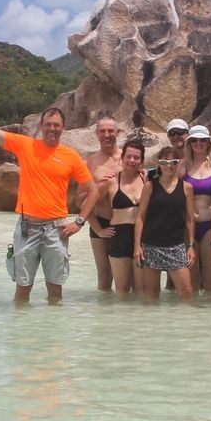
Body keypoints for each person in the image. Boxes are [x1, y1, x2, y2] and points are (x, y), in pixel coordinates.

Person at [0, 83, 93, 303]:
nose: (52, 128)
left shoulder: (71, 156)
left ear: (63, 128)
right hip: (27, 227)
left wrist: (79, 222)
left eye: (57, 125)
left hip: (56, 229)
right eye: (48, 124)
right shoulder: (25, 146)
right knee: (22, 291)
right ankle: (22, 336)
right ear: (41, 127)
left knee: (56, 293)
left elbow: (93, 192)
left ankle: (53, 336)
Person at [134, 145, 197, 300]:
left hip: (176, 245)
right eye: (165, 162)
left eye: (173, 162)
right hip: (151, 245)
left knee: (186, 292)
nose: (169, 166)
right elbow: (140, 216)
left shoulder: (187, 187)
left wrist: (190, 246)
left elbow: (189, 219)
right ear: (159, 163)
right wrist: (137, 246)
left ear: (178, 163)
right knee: (152, 294)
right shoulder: (149, 186)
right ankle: (154, 324)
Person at [98, 137, 150, 296]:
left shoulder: (147, 179)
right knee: (122, 291)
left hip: (142, 238)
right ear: (122, 158)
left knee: (142, 291)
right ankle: (120, 321)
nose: (132, 160)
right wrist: (98, 229)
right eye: (129, 156)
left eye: (136, 157)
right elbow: (87, 203)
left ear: (141, 160)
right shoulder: (111, 181)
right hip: (119, 237)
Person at [182, 124, 211, 296]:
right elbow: (163, 182)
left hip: (210, 226)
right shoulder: (182, 165)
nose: (198, 143)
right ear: (189, 143)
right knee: (191, 282)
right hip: (189, 227)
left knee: (210, 281)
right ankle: (193, 322)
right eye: (194, 140)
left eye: (203, 140)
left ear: (209, 143)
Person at [83, 114, 123, 292]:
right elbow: (79, 199)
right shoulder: (91, 162)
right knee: (105, 276)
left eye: (111, 131)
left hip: (124, 223)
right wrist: (98, 229)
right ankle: (104, 317)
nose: (107, 135)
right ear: (97, 134)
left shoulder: (128, 158)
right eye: (103, 131)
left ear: (118, 132)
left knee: (127, 277)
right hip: (100, 221)